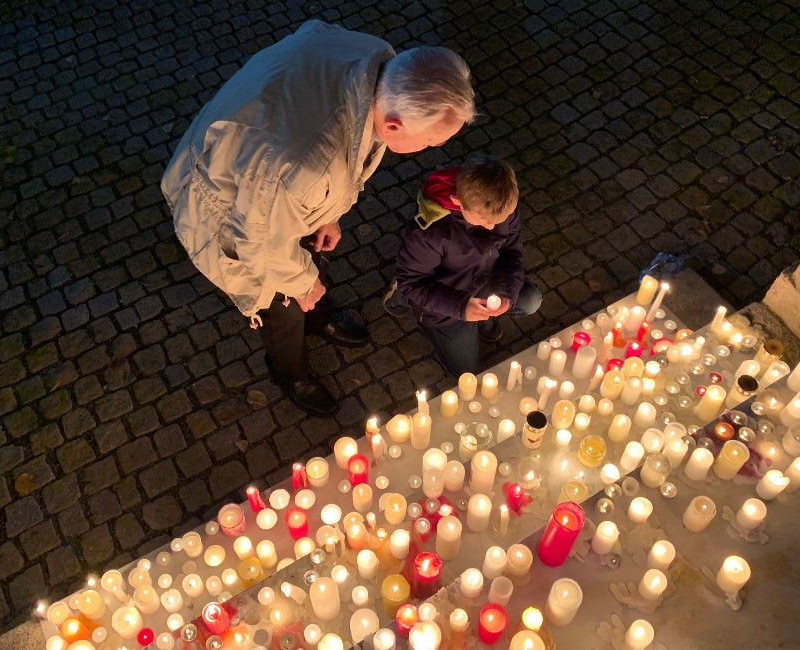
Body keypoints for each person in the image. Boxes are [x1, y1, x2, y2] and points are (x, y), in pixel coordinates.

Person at [161, 20, 475, 416]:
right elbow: (259, 244)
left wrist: (329, 215)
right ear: (393, 124)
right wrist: (302, 283)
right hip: (229, 203)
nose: (430, 149)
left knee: (308, 266)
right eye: (430, 141)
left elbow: (341, 159)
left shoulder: (376, 61)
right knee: (283, 303)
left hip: (267, 182)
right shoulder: (302, 168)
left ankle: (317, 314)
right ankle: (289, 371)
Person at [389, 155, 542, 375]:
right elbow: (413, 282)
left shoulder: (500, 208)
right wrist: (461, 307)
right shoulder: (431, 234)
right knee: (467, 371)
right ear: (458, 201)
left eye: (498, 221)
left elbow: (511, 253)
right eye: (484, 220)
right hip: (448, 300)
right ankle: (402, 298)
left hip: (485, 280)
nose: (491, 227)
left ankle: (481, 322)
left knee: (531, 300)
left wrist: (506, 293)